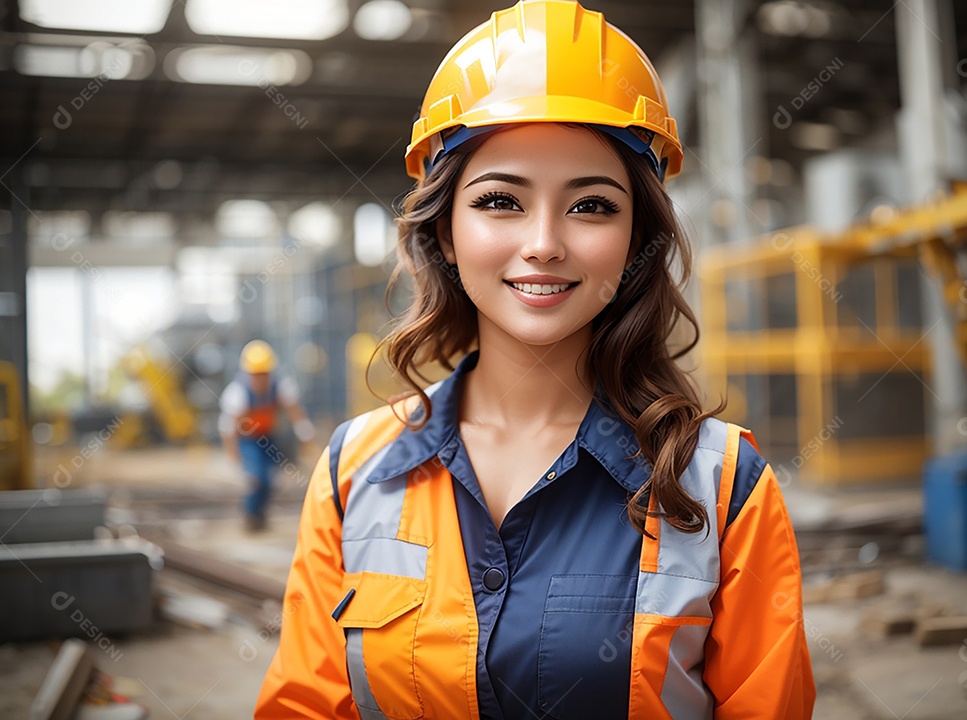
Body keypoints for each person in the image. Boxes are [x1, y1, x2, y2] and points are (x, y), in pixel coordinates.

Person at [256, 1, 815, 717]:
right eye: (500, 201)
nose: (545, 243)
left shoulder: (723, 484)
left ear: (635, 236)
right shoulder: (353, 471)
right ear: (447, 232)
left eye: (591, 207)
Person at [219, 340, 315, 531]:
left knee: (271, 480)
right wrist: (233, 457)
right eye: (256, 374)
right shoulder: (238, 392)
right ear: (248, 374)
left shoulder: (281, 386)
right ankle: (252, 515)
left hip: (268, 439)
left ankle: (259, 514)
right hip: (248, 441)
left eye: (264, 374)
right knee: (256, 479)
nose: (261, 379)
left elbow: (294, 411)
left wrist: (305, 434)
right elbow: (228, 428)